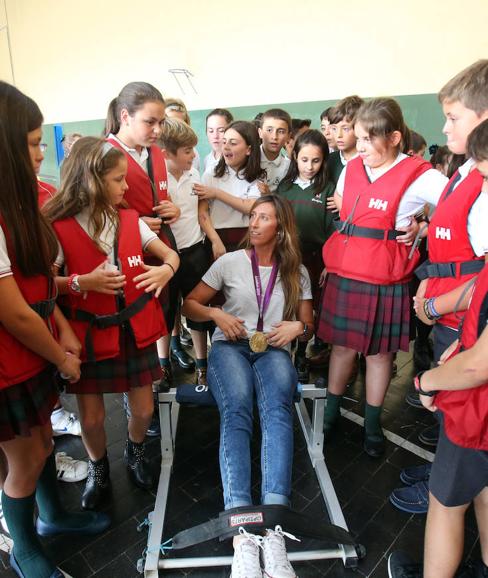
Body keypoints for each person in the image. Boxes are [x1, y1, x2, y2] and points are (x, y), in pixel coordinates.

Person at [0, 81, 109, 578]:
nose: (41, 153)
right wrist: (63, 355)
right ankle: (25, 549)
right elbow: (14, 313)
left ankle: (53, 516)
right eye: (30, 143)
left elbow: (40, 286)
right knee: (24, 459)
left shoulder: (21, 201)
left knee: (44, 439)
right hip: (9, 359)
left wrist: (62, 325)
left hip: (34, 347)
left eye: (41, 141)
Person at [44, 137, 179, 510]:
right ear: (92, 179)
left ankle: (134, 453)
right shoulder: (57, 226)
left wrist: (165, 270)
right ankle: (98, 468)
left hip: (132, 329)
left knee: (143, 409)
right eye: (119, 180)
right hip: (87, 332)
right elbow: (41, 284)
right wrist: (80, 282)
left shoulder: (129, 220)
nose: (126, 187)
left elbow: (170, 255)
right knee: (91, 416)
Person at [183, 194, 313, 578]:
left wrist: (299, 328)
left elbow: (308, 323)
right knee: (237, 409)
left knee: (277, 413)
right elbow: (190, 304)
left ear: (281, 227)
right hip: (231, 347)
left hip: (272, 347)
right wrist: (216, 313)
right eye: (253, 216)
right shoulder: (230, 262)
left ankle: (274, 528)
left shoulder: (296, 272)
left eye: (263, 218)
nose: (253, 224)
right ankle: (242, 532)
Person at [318, 97, 447, 457]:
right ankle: (330, 413)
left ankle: (373, 423)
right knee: (341, 348)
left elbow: (457, 207)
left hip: (384, 280)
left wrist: (422, 226)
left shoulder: (421, 174)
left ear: (393, 137)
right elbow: (344, 204)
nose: (359, 147)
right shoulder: (352, 167)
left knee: (379, 356)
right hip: (346, 273)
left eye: (367, 140)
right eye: (356, 138)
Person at [388, 124, 488, 578]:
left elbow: (478, 365)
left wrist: (427, 380)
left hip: (477, 401)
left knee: (445, 498)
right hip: (466, 353)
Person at [104, 82, 185, 402]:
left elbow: (163, 197)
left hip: (161, 249)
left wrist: (173, 209)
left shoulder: (155, 152)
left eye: (161, 122)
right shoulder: (103, 155)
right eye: (150, 122)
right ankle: (136, 399)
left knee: (162, 316)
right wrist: (135, 222)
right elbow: (93, 213)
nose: (157, 129)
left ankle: (156, 373)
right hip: (127, 255)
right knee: (134, 327)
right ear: (125, 116)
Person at [277, 129, 335, 381]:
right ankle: (286, 353)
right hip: (287, 258)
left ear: (324, 161)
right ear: (295, 158)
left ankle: (303, 352)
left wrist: (330, 262)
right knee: (287, 305)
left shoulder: (329, 189)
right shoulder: (285, 187)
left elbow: (336, 231)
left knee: (308, 311)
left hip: (316, 260)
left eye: (316, 160)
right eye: (304, 160)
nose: (309, 166)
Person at [160, 118, 211, 385]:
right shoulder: (156, 179)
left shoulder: (194, 174)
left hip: (194, 252)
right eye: (188, 151)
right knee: (165, 314)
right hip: (166, 255)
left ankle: (203, 365)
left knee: (197, 310)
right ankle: (163, 365)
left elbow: (201, 209)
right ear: (167, 153)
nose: (194, 155)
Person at [195, 120, 263, 258]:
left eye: (233, 143)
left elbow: (251, 207)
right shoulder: (211, 173)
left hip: (246, 238)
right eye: (224, 142)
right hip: (216, 237)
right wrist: (215, 241)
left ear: (249, 149)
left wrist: (216, 193)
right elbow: (202, 212)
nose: (225, 147)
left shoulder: (257, 175)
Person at [326, 95, 364, 186]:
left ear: (359, 128)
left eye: (345, 129)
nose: (339, 135)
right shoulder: (328, 160)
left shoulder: (368, 160)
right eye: (334, 128)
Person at [258, 108, 292, 192]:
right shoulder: (247, 158)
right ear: (260, 133)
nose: (274, 137)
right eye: (269, 130)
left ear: (288, 136)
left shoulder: (289, 167)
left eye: (281, 131)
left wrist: (269, 195)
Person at [164, 97, 200, 172]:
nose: (177, 127)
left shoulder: (193, 153)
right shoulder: (150, 152)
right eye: (171, 121)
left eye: (181, 122)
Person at [203, 108, 234, 174]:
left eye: (221, 130)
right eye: (211, 131)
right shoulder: (207, 159)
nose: (215, 136)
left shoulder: (236, 159)